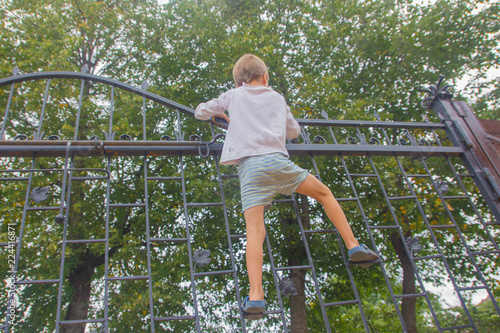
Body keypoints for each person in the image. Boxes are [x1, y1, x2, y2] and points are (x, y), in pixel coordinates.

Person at [195, 54, 379, 319]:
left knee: (255, 230)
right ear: (265, 77)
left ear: (238, 82)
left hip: (250, 170)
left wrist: (223, 113)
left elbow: (201, 111)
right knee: (324, 194)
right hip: (278, 163)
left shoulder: (233, 95)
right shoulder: (276, 97)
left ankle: (256, 295)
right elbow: (294, 132)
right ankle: (353, 245)